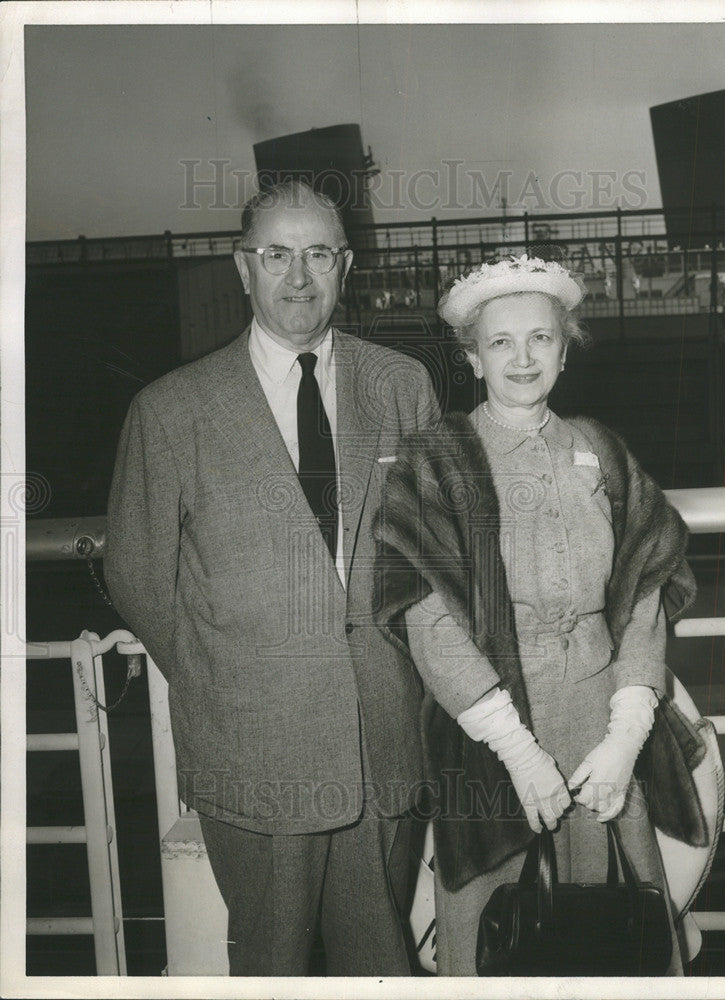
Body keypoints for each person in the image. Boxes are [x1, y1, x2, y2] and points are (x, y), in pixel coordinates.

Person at [105, 180, 440, 976]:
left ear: (346, 265)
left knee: (380, 962)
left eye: (318, 253)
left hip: (380, 737)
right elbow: (136, 573)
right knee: (271, 963)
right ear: (240, 267)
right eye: (275, 254)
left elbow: (435, 557)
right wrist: (228, 676)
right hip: (254, 745)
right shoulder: (171, 410)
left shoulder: (401, 386)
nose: (298, 277)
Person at [373, 252, 697, 975]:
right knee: (500, 935)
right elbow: (424, 613)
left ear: (564, 347)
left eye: (541, 338)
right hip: (490, 735)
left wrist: (626, 735)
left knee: (614, 933)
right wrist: (518, 753)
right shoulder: (434, 462)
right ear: (472, 357)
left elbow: (643, 586)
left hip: (599, 721)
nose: (522, 358)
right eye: (500, 342)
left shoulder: (600, 450)